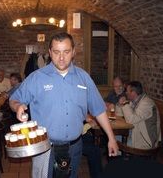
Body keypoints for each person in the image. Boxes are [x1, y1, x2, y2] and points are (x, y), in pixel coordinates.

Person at [9, 32, 118, 178]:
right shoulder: (36, 77)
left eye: (66, 52)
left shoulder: (84, 77)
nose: (61, 57)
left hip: (74, 147)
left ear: (73, 52)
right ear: (50, 52)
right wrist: (17, 107)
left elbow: (98, 109)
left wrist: (111, 138)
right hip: (45, 147)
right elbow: (14, 99)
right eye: (56, 52)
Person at [117, 81, 161, 149]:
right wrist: (120, 104)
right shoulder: (134, 101)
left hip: (145, 142)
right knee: (113, 137)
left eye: (127, 91)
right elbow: (118, 114)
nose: (126, 93)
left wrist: (125, 104)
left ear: (133, 93)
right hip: (134, 134)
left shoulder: (147, 103)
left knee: (115, 141)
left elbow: (131, 120)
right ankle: (118, 158)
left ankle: (121, 158)